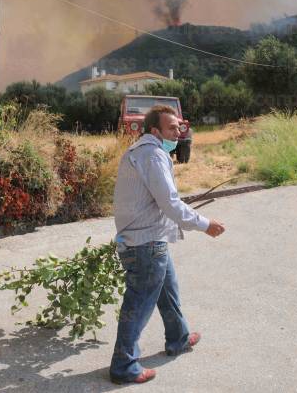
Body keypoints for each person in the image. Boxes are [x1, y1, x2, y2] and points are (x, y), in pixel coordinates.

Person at [109, 104, 225, 385]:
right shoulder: (152, 155)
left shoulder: (144, 151)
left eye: (179, 126)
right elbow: (170, 203)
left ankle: (178, 338)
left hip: (149, 239)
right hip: (145, 243)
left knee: (167, 291)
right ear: (155, 131)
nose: (178, 131)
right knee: (139, 303)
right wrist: (204, 224)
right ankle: (124, 366)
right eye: (172, 128)